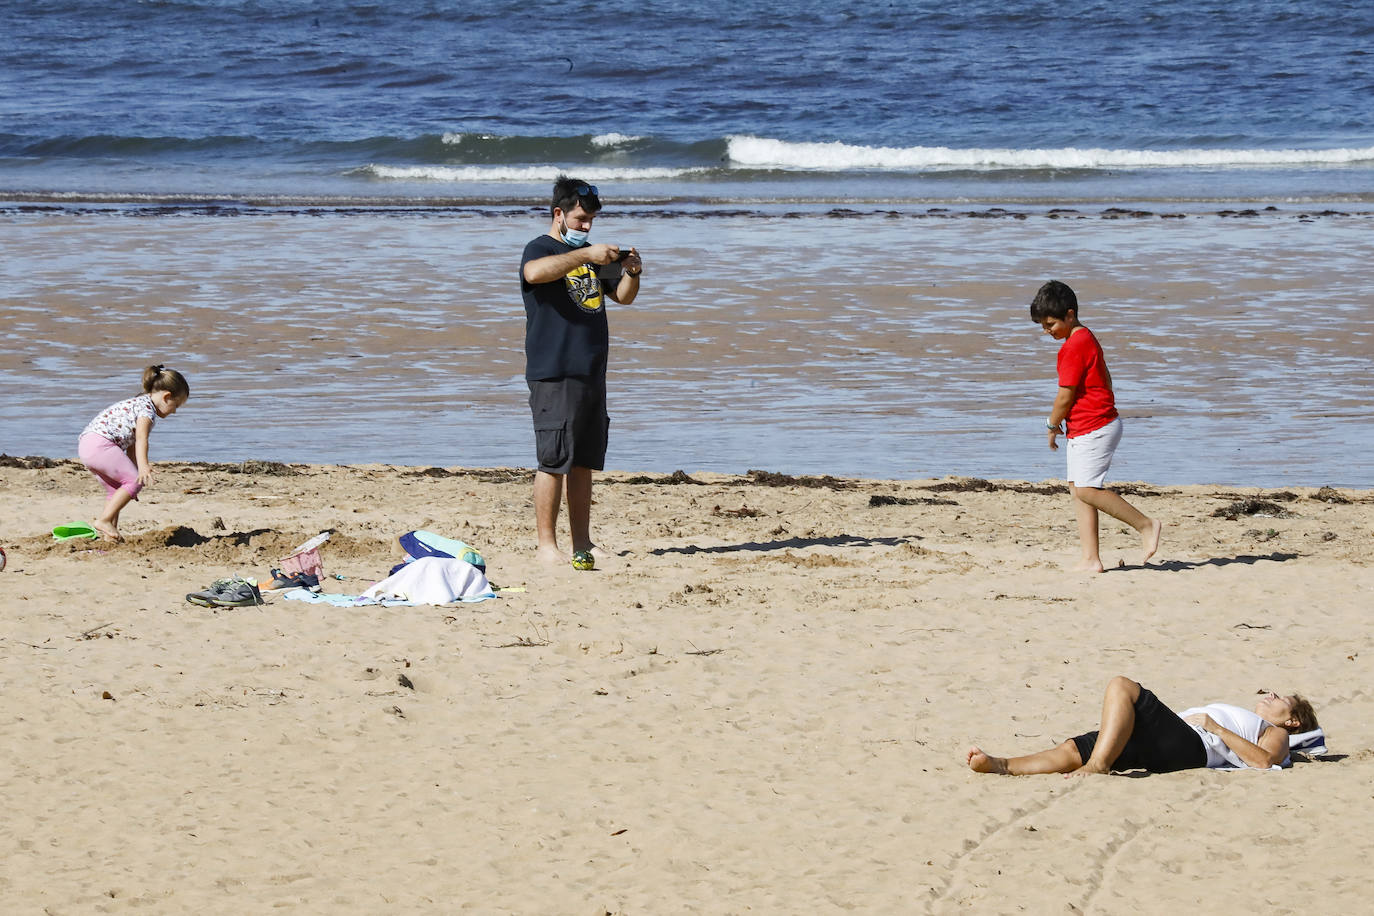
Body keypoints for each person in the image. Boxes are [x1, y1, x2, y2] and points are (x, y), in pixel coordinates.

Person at [519, 176, 642, 564]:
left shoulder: (589, 254)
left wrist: (633, 272)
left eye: (591, 221)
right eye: (580, 219)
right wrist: (585, 255)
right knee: (554, 461)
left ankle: (582, 543)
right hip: (554, 371)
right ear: (559, 214)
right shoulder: (540, 249)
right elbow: (534, 274)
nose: (586, 227)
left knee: (584, 461)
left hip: (591, 370)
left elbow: (622, 297)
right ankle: (546, 546)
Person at [1030, 280, 1162, 572]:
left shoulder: (1074, 346)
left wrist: (1051, 424)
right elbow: (1105, 376)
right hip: (1084, 426)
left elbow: (1065, 394)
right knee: (1077, 488)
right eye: (1042, 326)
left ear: (1070, 314)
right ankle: (1091, 558)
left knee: (1088, 490)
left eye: (1051, 324)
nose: (1046, 331)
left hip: (1096, 427)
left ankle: (1146, 525)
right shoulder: (1085, 337)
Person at [966, 675, 1319, 776]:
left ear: (1293, 720)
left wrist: (1216, 727)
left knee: (1123, 687)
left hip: (1194, 745)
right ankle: (1001, 765)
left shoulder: (1276, 734)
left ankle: (1099, 766)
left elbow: (1265, 762)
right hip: (1175, 740)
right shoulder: (1256, 721)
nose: (1272, 694)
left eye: (1282, 698)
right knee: (1076, 748)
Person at [78, 364, 189, 540]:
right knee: (134, 481)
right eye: (176, 405)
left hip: (87, 444)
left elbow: (131, 447)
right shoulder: (147, 411)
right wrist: (143, 469)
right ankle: (104, 520)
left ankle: (110, 534)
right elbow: (141, 440)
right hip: (101, 445)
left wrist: (131, 484)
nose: (174, 411)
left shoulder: (138, 402)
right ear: (167, 396)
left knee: (118, 489)